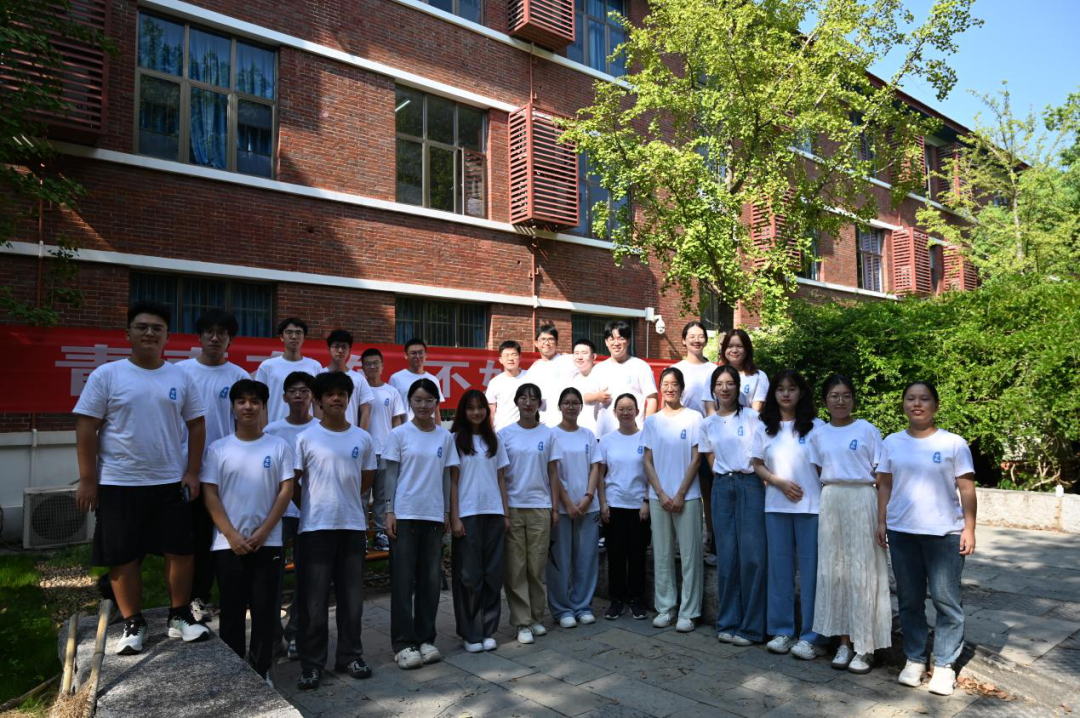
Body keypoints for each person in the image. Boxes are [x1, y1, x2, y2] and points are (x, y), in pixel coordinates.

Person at [74, 301, 210, 655]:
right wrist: (87, 479)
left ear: (167, 336)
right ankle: (133, 622)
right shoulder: (107, 375)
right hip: (119, 481)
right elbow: (87, 426)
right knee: (123, 555)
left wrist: (192, 472)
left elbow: (197, 425)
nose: (149, 333)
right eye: (142, 327)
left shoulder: (180, 377)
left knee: (180, 551)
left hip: (169, 481)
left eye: (157, 328)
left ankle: (180, 616)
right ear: (128, 333)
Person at [877, 381, 978, 697]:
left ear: (935, 405)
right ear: (903, 404)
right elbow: (884, 485)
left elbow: (967, 489)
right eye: (910, 398)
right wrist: (881, 521)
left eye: (924, 399)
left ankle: (945, 665)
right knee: (909, 599)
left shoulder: (953, 443)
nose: (917, 404)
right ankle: (915, 659)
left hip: (944, 534)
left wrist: (970, 528)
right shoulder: (892, 442)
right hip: (902, 532)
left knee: (946, 600)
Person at [200, 379, 294, 685]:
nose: (248, 407)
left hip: (269, 542)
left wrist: (265, 531)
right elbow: (210, 493)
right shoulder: (218, 449)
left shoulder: (278, 447)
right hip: (227, 544)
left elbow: (286, 490)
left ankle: (261, 668)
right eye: (242, 401)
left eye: (255, 401)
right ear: (233, 407)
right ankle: (234, 672)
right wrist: (230, 534)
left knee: (265, 610)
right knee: (231, 610)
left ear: (264, 406)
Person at [293, 372, 377, 690]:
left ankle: (350, 656)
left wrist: (347, 503)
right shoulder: (306, 438)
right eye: (329, 394)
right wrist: (311, 507)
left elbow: (366, 480)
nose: (336, 399)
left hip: (352, 527)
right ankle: (312, 664)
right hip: (315, 528)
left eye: (342, 393)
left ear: (348, 398)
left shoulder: (362, 438)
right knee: (314, 602)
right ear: (318, 401)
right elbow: (294, 483)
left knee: (352, 599)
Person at [808, 374, 891, 675]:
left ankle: (865, 646)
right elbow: (821, 468)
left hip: (862, 499)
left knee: (863, 571)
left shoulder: (867, 430)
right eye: (834, 395)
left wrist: (881, 520)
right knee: (837, 572)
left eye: (846, 395)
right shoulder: (819, 434)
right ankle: (844, 642)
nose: (840, 401)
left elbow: (882, 476)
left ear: (853, 399)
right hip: (832, 500)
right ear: (825, 400)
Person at [176, 309, 250, 623]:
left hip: (226, 470)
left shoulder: (239, 377)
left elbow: (247, 423)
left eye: (222, 332)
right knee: (191, 536)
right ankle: (193, 597)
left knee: (222, 535)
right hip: (185, 468)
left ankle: (225, 596)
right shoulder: (180, 372)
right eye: (209, 332)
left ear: (230, 339)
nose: (215, 338)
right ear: (200, 336)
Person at [383, 378, 460, 669]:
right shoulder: (399, 434)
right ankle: (404, 643)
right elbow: (391, 475)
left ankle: (426, 638)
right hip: (405, 514)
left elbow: (446, 476)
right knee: (403, 581)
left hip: (433, 515)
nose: (423, 405)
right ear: (410, 402)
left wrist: (447, 512)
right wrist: (389, 511)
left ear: (437, 403)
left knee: (430, 581)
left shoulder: (444, 437)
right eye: (418, 400)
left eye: (429, 400)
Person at [752, 370, 826, 660]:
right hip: (776, 507)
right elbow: (757, 464)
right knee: (779, 572)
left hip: (811, 508)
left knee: (811, 573)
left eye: (792, 388)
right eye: (780, 389)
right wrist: (778, 482)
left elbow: (825, 467)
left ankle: (811, 636)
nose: (785, 394)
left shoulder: (816, 427)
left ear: (801, 393)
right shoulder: (764, 427)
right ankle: (782, 631)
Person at [701, 365, 766, 646]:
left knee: (753, 557)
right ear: (713, 389)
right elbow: (711, 460)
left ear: (738, 387)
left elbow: (761, 455)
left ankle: (752, 627)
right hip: (722, 486)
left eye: (730, 383)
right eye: (719, 384)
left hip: (750, 484)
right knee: (727, 557)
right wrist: (725, 477)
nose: (724, 388)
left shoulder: (752, 417)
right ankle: (727, 622)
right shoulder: (708, 424)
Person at [498, 383, 562, 644]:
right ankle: (522, 622)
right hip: (514, 506)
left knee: (536, 566)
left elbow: (553, 473)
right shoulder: (504, 435)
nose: (528, 402)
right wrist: (504, 510)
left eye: (533, 398)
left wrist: (555, 508)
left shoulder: (548, 434)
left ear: (539, 403)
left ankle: (536, 617)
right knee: (515, 567)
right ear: (516, 402)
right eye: (523, 398)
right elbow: (500, 476)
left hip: (540, 506)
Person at [641, 367, 703, 632]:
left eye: (674, 383)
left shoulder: (694, 417)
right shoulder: (652, 421)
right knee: (662, 554)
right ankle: (666, 608)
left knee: (690, 556)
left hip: (687, 497)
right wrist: (661, 493)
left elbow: (697, 458)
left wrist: (679, 494)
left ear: (681, 387)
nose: (669, 388)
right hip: (659, 498)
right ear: (660, 387)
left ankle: (689, 612)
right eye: (665, 383)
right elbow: (647, 460)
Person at [449, 390, 511, 653]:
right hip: (468, 514)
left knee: (492, 574)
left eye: (480, 407)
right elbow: (453, 482)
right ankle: (470, 632)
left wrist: (505, 513)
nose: (476, 412)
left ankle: (488, 630)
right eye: (471, 408)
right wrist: (454, 517)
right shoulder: (455, 440)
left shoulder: (494, 440)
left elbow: (501, 479)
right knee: (469, 576)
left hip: (493, 513)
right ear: (463, 411)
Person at [264, 371, 317, 660]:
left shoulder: (321, 428)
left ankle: (297, 632)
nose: (298, 395)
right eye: (293, 390)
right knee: (272, 577)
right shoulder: (272, 430)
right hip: (279, 513)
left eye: (304, 391)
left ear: (312, 396)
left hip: (311, 513)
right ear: (284, 396)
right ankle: (273, 635)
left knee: (306, 576)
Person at [548, 387, 603, 628]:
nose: (571, 407)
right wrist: (567, 502)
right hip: (562, 508)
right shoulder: (551, 435)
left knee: (586, 559)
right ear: (559, 406)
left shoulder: (588, 435)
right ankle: (562, 609)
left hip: (588, 507)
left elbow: (595, 467)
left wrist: (589, 497)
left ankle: (582, 606)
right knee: (559, 561)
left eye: (575, 403)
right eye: (566, 402)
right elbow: (552, 472)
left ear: (581, 407)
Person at [598, 393, 650, 621]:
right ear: (615, 412)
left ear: (637, 411)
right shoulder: (607, 440)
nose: (625, 412)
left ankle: (636, 599)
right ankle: (616, 599)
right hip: (614, 504)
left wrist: (647, 500)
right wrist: (603, 503)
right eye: (621, 409)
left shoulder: (645, 438)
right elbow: (600, 475)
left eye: (630, 408)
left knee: (637, 555)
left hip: (639, 506)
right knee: (616, 555)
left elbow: (651, 472)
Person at [671, 321, 718, 566]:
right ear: (683, 340)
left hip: (708, 437)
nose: (696, 340)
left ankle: (710, 538)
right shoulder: (676, 369)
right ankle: (681, 542)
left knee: (708, 491)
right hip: (681, 436)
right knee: (682, 487)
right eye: (692, 336)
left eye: (701, 336)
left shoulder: (715, 370)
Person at [361, 348, 407, 552]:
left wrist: (396, 448)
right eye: (368, 364)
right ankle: (361, 533)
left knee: (382, 496)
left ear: (382, 366)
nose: (372, 367)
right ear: (362, 367)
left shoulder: (391, 391)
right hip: (364, 453)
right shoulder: (358, 389)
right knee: (361, 495)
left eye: (376, 363)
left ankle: (380, 534)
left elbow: (397, 422)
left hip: (385, 452)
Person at [592, 320, 658, 437]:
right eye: (612, 339)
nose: (616, 343)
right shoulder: (598, 368)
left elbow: (652, 398)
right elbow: (590, 400)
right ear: (606, 342)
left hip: (635, 434)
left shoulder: (640, 366)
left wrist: (647, 429)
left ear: (628, 341)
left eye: (621, 338)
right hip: (604, 435)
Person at [255, 318, 322, 424]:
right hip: (276, 428)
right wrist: (265, 430)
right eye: (289, 332)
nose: (294, 336)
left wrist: (319, 429)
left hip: (308, 429)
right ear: (282, 337)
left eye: (298, 333)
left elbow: (318, 403)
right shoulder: (267, 366)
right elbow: (261, 402)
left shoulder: (315, 366)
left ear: (304, 338)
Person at [319, 329, 373, 430]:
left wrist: (361, 435)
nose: (340, 350)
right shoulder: (319, 375)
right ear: (329, 348)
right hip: (324, 433)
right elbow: (316, 406)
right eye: (336, 346)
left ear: (349, 350)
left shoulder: (359, 379)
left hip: (350, 434)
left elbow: (365, 410)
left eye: (344, 347)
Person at [522, 324, 576, 427]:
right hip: (542, 424)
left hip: (566, 423)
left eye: (551, 339)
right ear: (536, 343)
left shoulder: (568, 360)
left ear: (557, 343)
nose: (546, 343)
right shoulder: (533, 369)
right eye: (543, 339)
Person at [389, 338, 444, 421]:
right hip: (406, 427)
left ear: (426, 355)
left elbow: (436, 411)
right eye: (413, 353)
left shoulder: (433, 380)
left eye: (420, 352)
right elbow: (394, 411)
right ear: (406, 355)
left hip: (429, 428)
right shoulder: (396, 378)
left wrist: (438, 428)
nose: (417, 356)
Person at [719, 329, 768, 412]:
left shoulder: (759, 376)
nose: (734, 350)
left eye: (739, 346)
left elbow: (756, 411)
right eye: (730, 346)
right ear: (724, 350)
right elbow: (710, 407)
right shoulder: (715, 375)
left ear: (747, 349)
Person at [485, 340, 529, 432]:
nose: (510, 358)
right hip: (501, 432)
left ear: (520, 357)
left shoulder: (530, 377)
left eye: (514, 355)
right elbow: (491, 411)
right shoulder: (495, 382)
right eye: (506, 355)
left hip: (526, 431)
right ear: (500, 360)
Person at [571, 338, 603, 434]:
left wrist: (593, 397)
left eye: (584, 353)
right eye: (576, 353)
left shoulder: (601, 374)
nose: (579, 357)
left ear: (593, 356)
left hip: (596, 433)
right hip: (576, 431)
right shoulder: (573, 377)